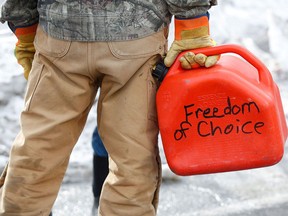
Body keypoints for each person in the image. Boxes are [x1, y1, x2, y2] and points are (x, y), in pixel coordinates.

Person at [0, 0, 218, 215]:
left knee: (38, 150)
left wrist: (25, 28)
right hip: (136, 34)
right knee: (131, 159)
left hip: (61, 36)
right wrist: (193, 25)